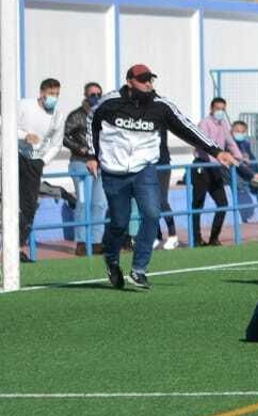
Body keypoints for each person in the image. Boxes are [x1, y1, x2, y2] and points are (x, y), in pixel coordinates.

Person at [90, 64, 236, 290]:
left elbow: (187, 128)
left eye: (150, 79)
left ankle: (139, 270)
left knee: (151, 213)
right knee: (119, 222)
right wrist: (92, 155)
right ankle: (111, 260)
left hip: (144, 169)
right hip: (113, 171)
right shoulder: (109, 102)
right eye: (142, 80)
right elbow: (92, 124)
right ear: (129, 81)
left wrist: (217, 151)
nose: (148, 83)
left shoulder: (161, 106)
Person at [15, 77, 64, 262]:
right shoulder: (24, 106)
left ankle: (18, 248)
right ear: (42, 93)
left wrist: (43, 161)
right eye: (52, 94)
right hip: (14, 156)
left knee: (28, 207)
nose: (54, 98)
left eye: (57, 94)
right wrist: (24, 136)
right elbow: (5, 124)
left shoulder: (58, 116)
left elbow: (56, 144)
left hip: (35, 163)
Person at [188, 96, 244, 247]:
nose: (220, 112)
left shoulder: (224, 124)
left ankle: (214, 237)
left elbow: (230, 142)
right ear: (211, 109)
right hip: (202, 165)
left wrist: (238, 157)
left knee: (222, 203)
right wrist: (220, 157)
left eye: (223, 109)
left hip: (216, 167)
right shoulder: (204, 124)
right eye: (218, 109)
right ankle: (196, 238)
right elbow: (203, 144)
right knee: (197, 203)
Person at [62, 82, 107, 254]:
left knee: (100, 203)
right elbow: (64, 136)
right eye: (92, 94)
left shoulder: (103, 115)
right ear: (85, 95)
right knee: (82, 202)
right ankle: (81, 242)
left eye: (98, 94)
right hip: (80, 163)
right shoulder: (76, 115)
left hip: (100, 164)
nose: (95, 97)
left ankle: (96, 242)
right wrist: (81, 149)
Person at [230, 120, 258, 226]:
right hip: (236, 176)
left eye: (242, 131)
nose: (239, 133)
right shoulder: (229, 144)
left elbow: (252, 162)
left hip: (248, 175)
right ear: (231, 131)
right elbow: (237, 164)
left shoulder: (245, 144)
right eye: (237, 131)